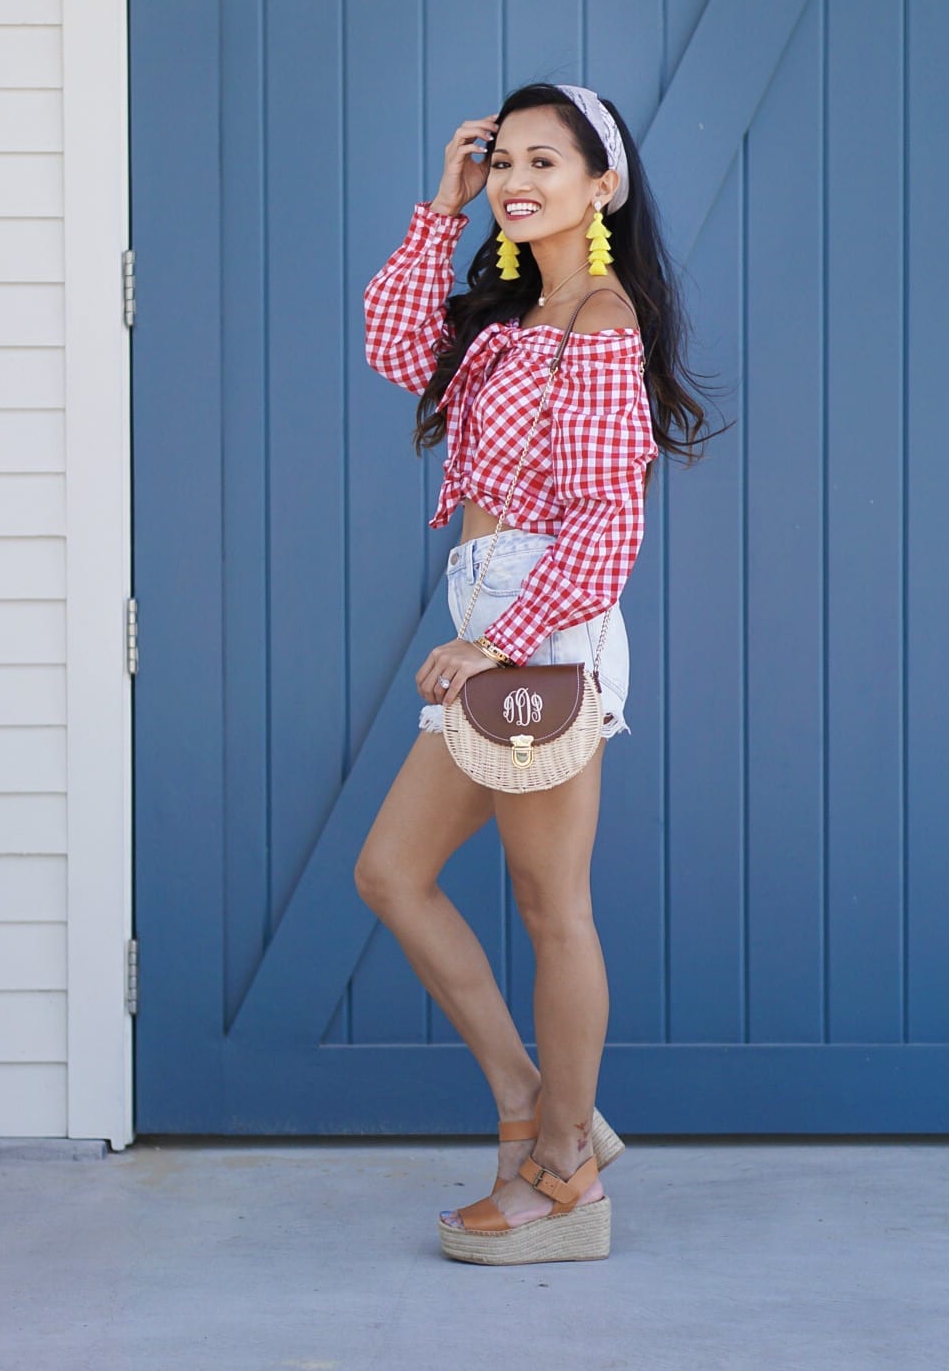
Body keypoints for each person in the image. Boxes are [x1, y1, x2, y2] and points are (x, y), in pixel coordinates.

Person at [355, 82, 709, 1264]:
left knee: (553, 908)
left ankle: (563, 1179)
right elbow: (393, 344)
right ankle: (532, 1102)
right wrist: (439, 212)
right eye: (503, 158)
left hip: (543, 635)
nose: (517, 178)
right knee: (393, 871)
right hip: (495, 623)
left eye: (544, 162)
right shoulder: (514, 317)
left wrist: (497, 639)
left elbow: (610, 525)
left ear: (600, 187)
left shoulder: (600, 322)